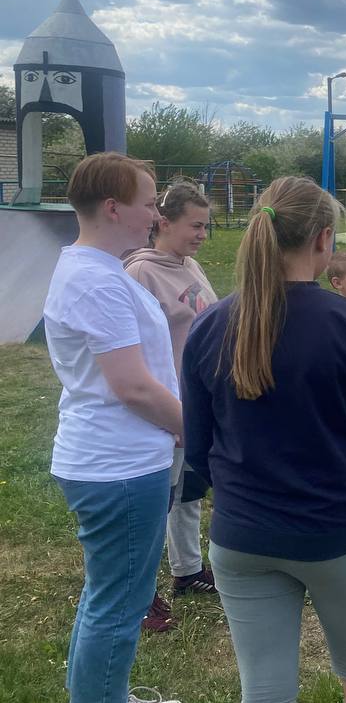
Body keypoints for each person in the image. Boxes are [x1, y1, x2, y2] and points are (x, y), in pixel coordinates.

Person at [181, 177, 346, 703]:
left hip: (241, 535)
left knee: (264, 692)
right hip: (335, 531)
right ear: (323, 240)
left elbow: (198, 444)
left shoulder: (209, 325)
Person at [44, 152, 186, 703]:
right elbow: (133, 387)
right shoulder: (96, 281)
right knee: (120, 600)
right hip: (119, 466)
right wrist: (197, 432)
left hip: (115, 458)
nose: (156, 215)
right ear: (113, 208)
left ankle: (101, 702)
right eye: (149, 204)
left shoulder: (96, 270)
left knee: (109, 593)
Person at [124, 181, 219, 628]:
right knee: (155, 501)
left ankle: (187, 570)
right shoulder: (140, 273)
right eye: (195, 225)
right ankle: (138, 595)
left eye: (205, 225)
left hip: (197, 400)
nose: (202, 234)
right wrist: (166, 411)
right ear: (164, 222)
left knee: (188, 493)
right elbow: (134, 350)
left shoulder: (190, 265)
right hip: (166, 406)